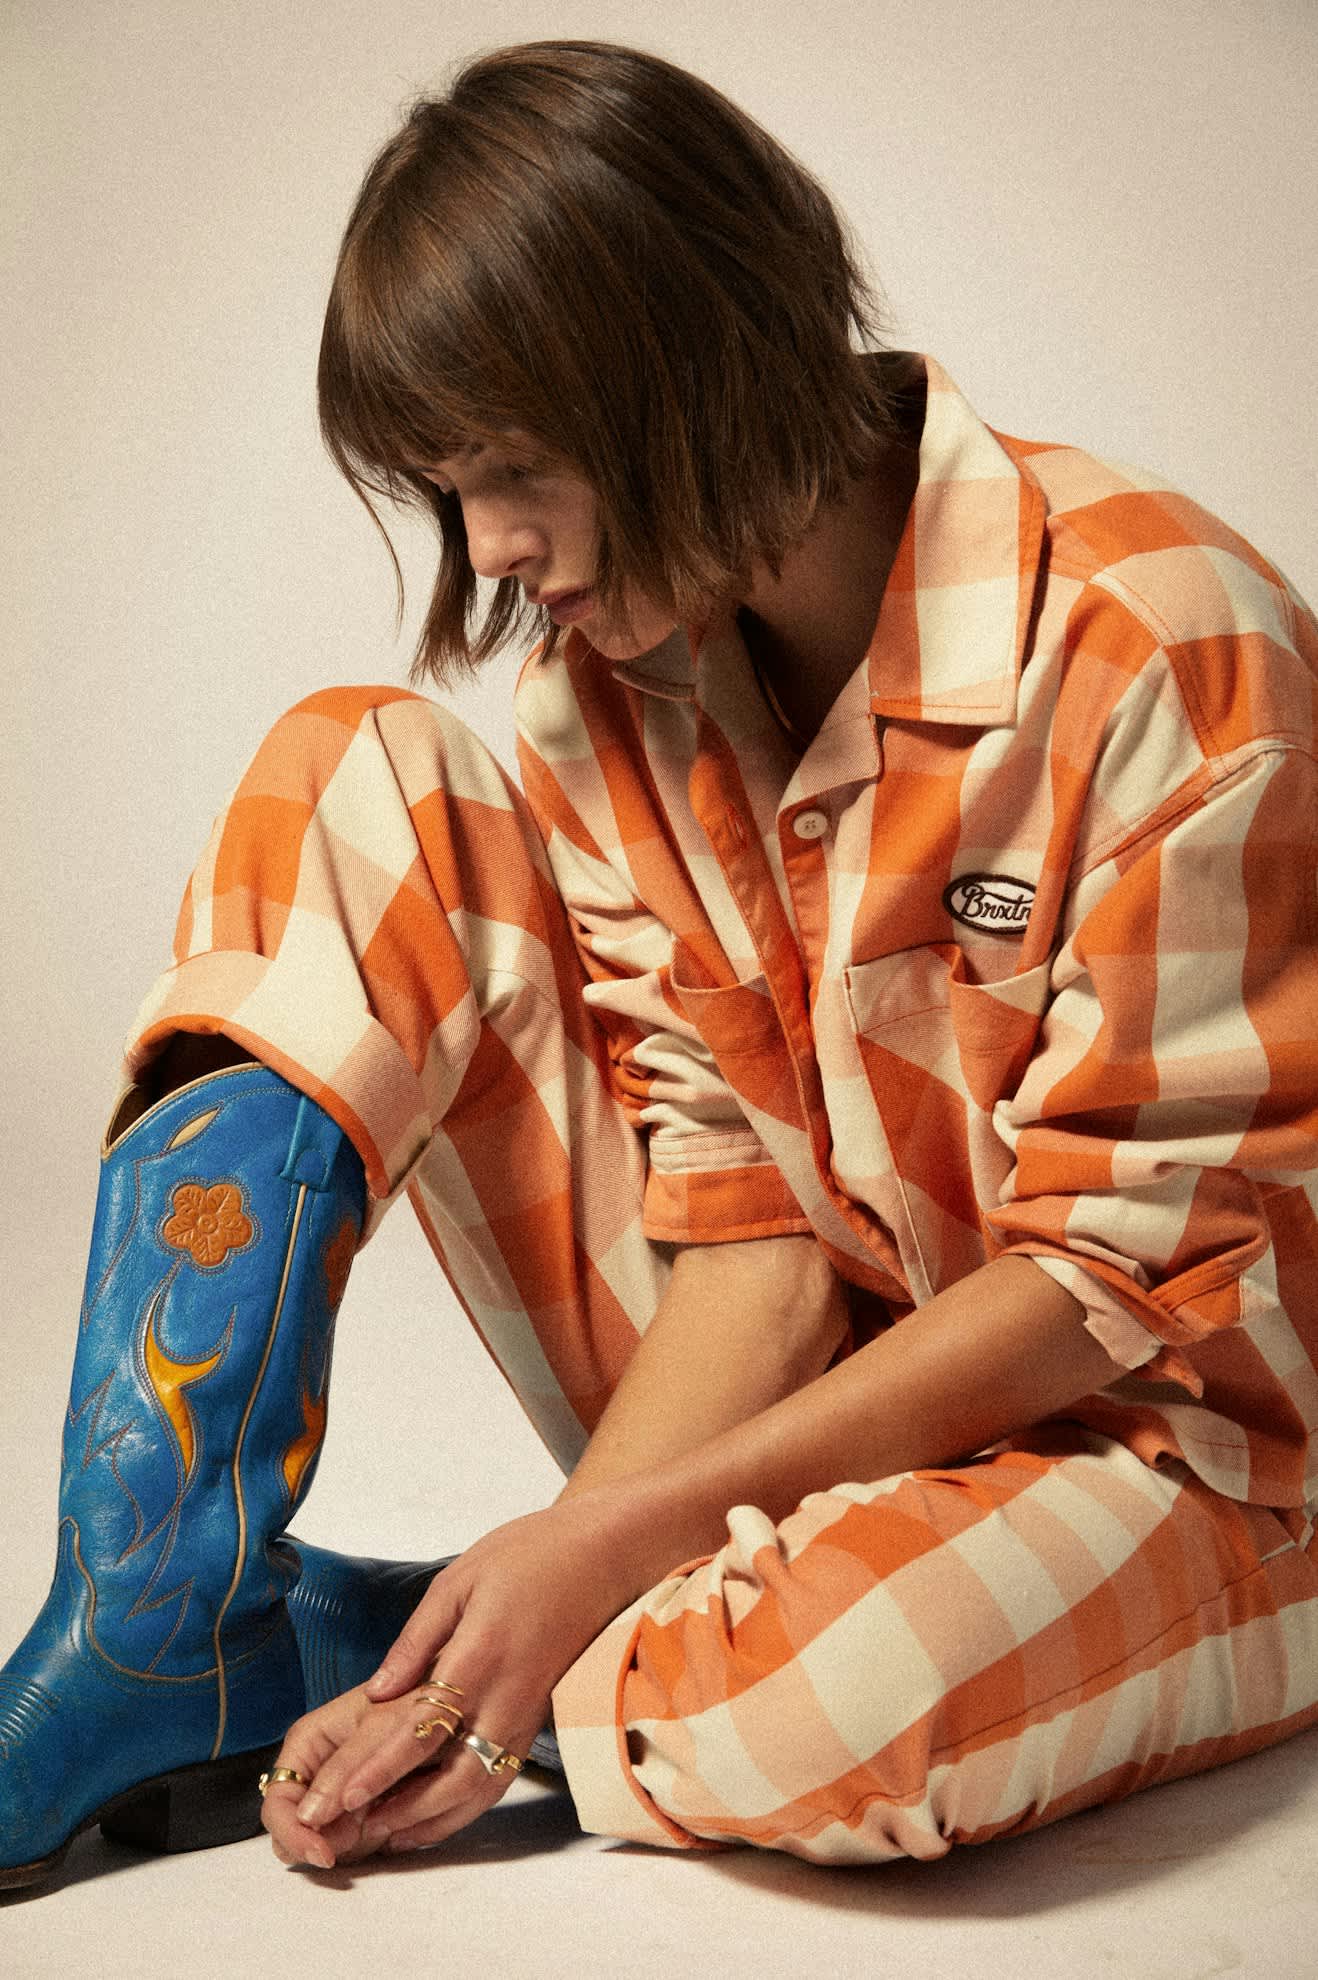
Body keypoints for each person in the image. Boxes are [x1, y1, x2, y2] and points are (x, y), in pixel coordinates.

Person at [2, 38, 1316, 1888]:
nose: (492, 549)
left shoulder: (1159, 651)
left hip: (1188, 1460)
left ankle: (476, 1652)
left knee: (814, 1713)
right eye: (449, 488)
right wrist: (591, 1551)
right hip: (834, 1413)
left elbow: (1119, 1282)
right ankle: (162, 1632)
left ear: (690, 364)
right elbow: (753, 1237)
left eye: (516, 468)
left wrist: (600, 1551)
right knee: (348, 771)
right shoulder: (613, 693)